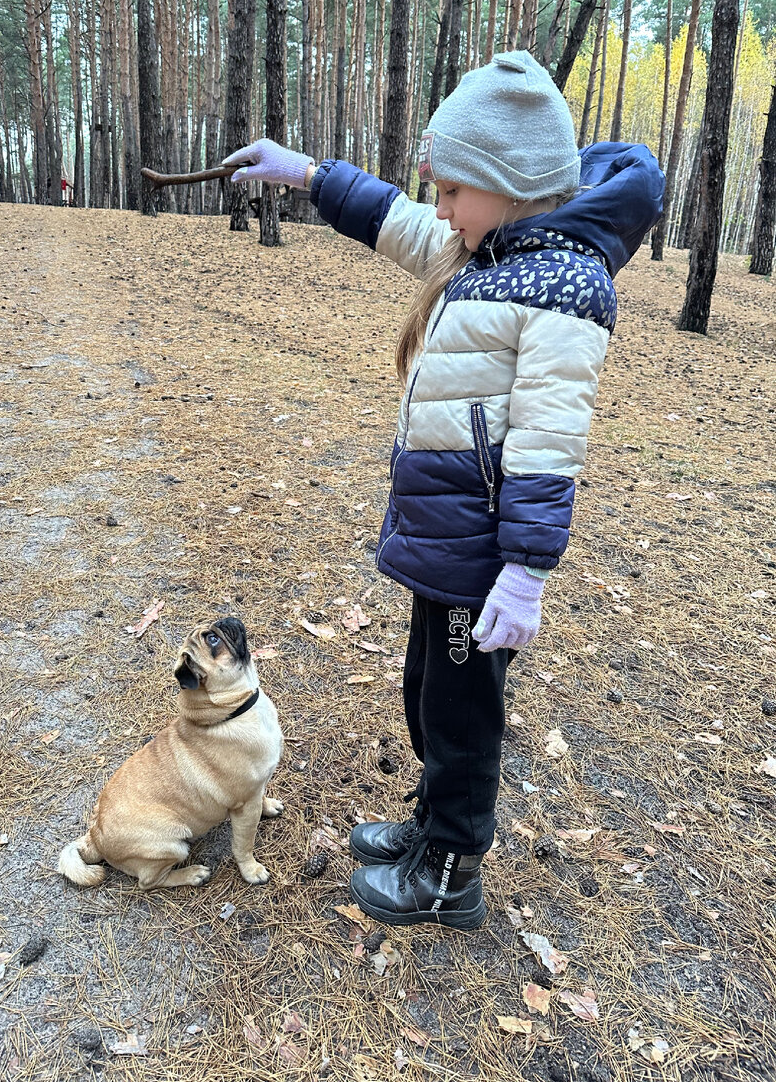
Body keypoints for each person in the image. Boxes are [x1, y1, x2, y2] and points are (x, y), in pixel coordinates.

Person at [224, 50, 665, 930]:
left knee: (462, 720)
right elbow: (392, 218)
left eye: (453, 189)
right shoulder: (486, 248)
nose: (440, 207)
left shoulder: (560, 285)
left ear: (505, 185)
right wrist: (309, 174)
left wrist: (527, 571)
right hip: (445, 542)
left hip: (482, 557)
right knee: (429, 692)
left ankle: (451, 872)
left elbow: (548, 445)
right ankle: (429, 828)